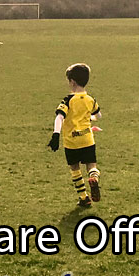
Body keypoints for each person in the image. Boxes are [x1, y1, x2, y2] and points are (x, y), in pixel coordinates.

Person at [47, 63, 103, 207]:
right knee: (91, 165)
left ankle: (84, 197)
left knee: (75, 168)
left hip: (72, 141)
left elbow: (59, 117)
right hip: (87, 139)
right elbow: (98, 115)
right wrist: (88, 118)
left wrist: (55, 135)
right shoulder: (90, 100)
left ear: (72, 82)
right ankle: (94, 178)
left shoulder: (68, 100)